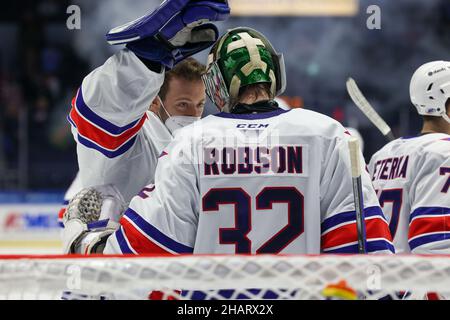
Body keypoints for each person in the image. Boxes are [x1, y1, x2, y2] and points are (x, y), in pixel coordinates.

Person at [96, 27, 394, 256]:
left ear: (215, 84)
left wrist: (90, 243)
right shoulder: (328, 134)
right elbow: (365, 248)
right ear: (275, 74)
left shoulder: (189, 142)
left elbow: (149, 248)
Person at [61, 0, 230, 253]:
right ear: (153, 101)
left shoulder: (204, 146)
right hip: (118, 282)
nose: (194, 114)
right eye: (183, 104)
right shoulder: (137, 139)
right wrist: (146, 60)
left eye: (199, 104)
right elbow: (98, 113)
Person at [369, 61, 450, 254]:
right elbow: (436, 245)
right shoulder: (445, 153)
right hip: (421, 280)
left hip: (380, 279)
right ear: (445, 104)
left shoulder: (382, 155)